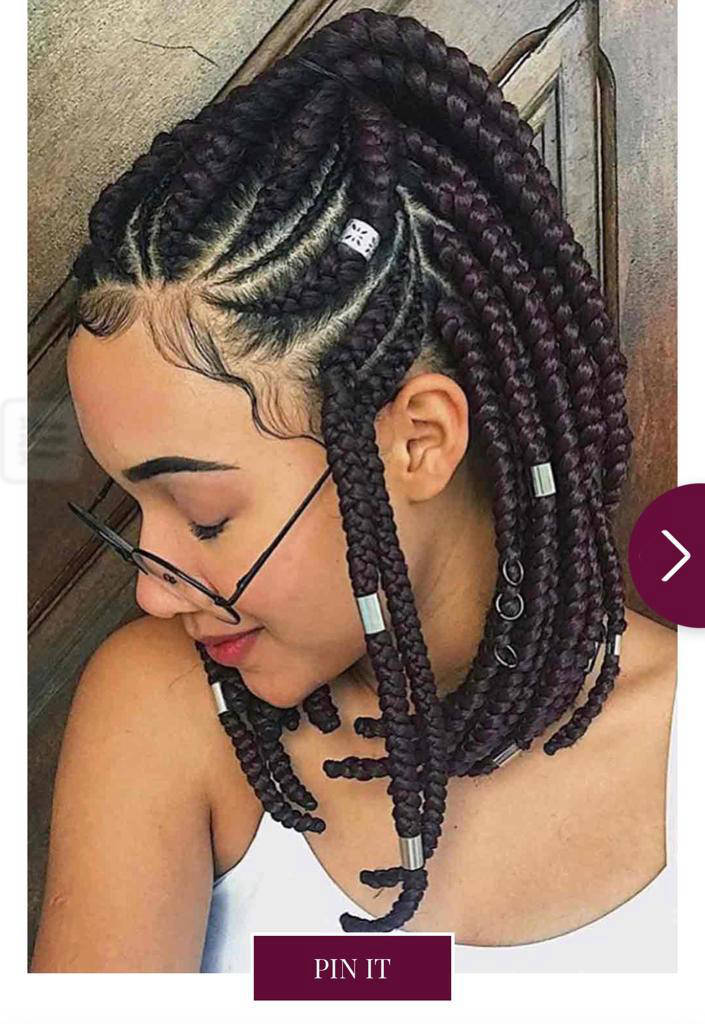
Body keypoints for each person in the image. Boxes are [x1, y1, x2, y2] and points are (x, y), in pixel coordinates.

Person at [31, 8, 676, 972]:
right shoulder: (166, 712)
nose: (152, 590)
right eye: (132, 509)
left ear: (419, 442)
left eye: (203, 515)